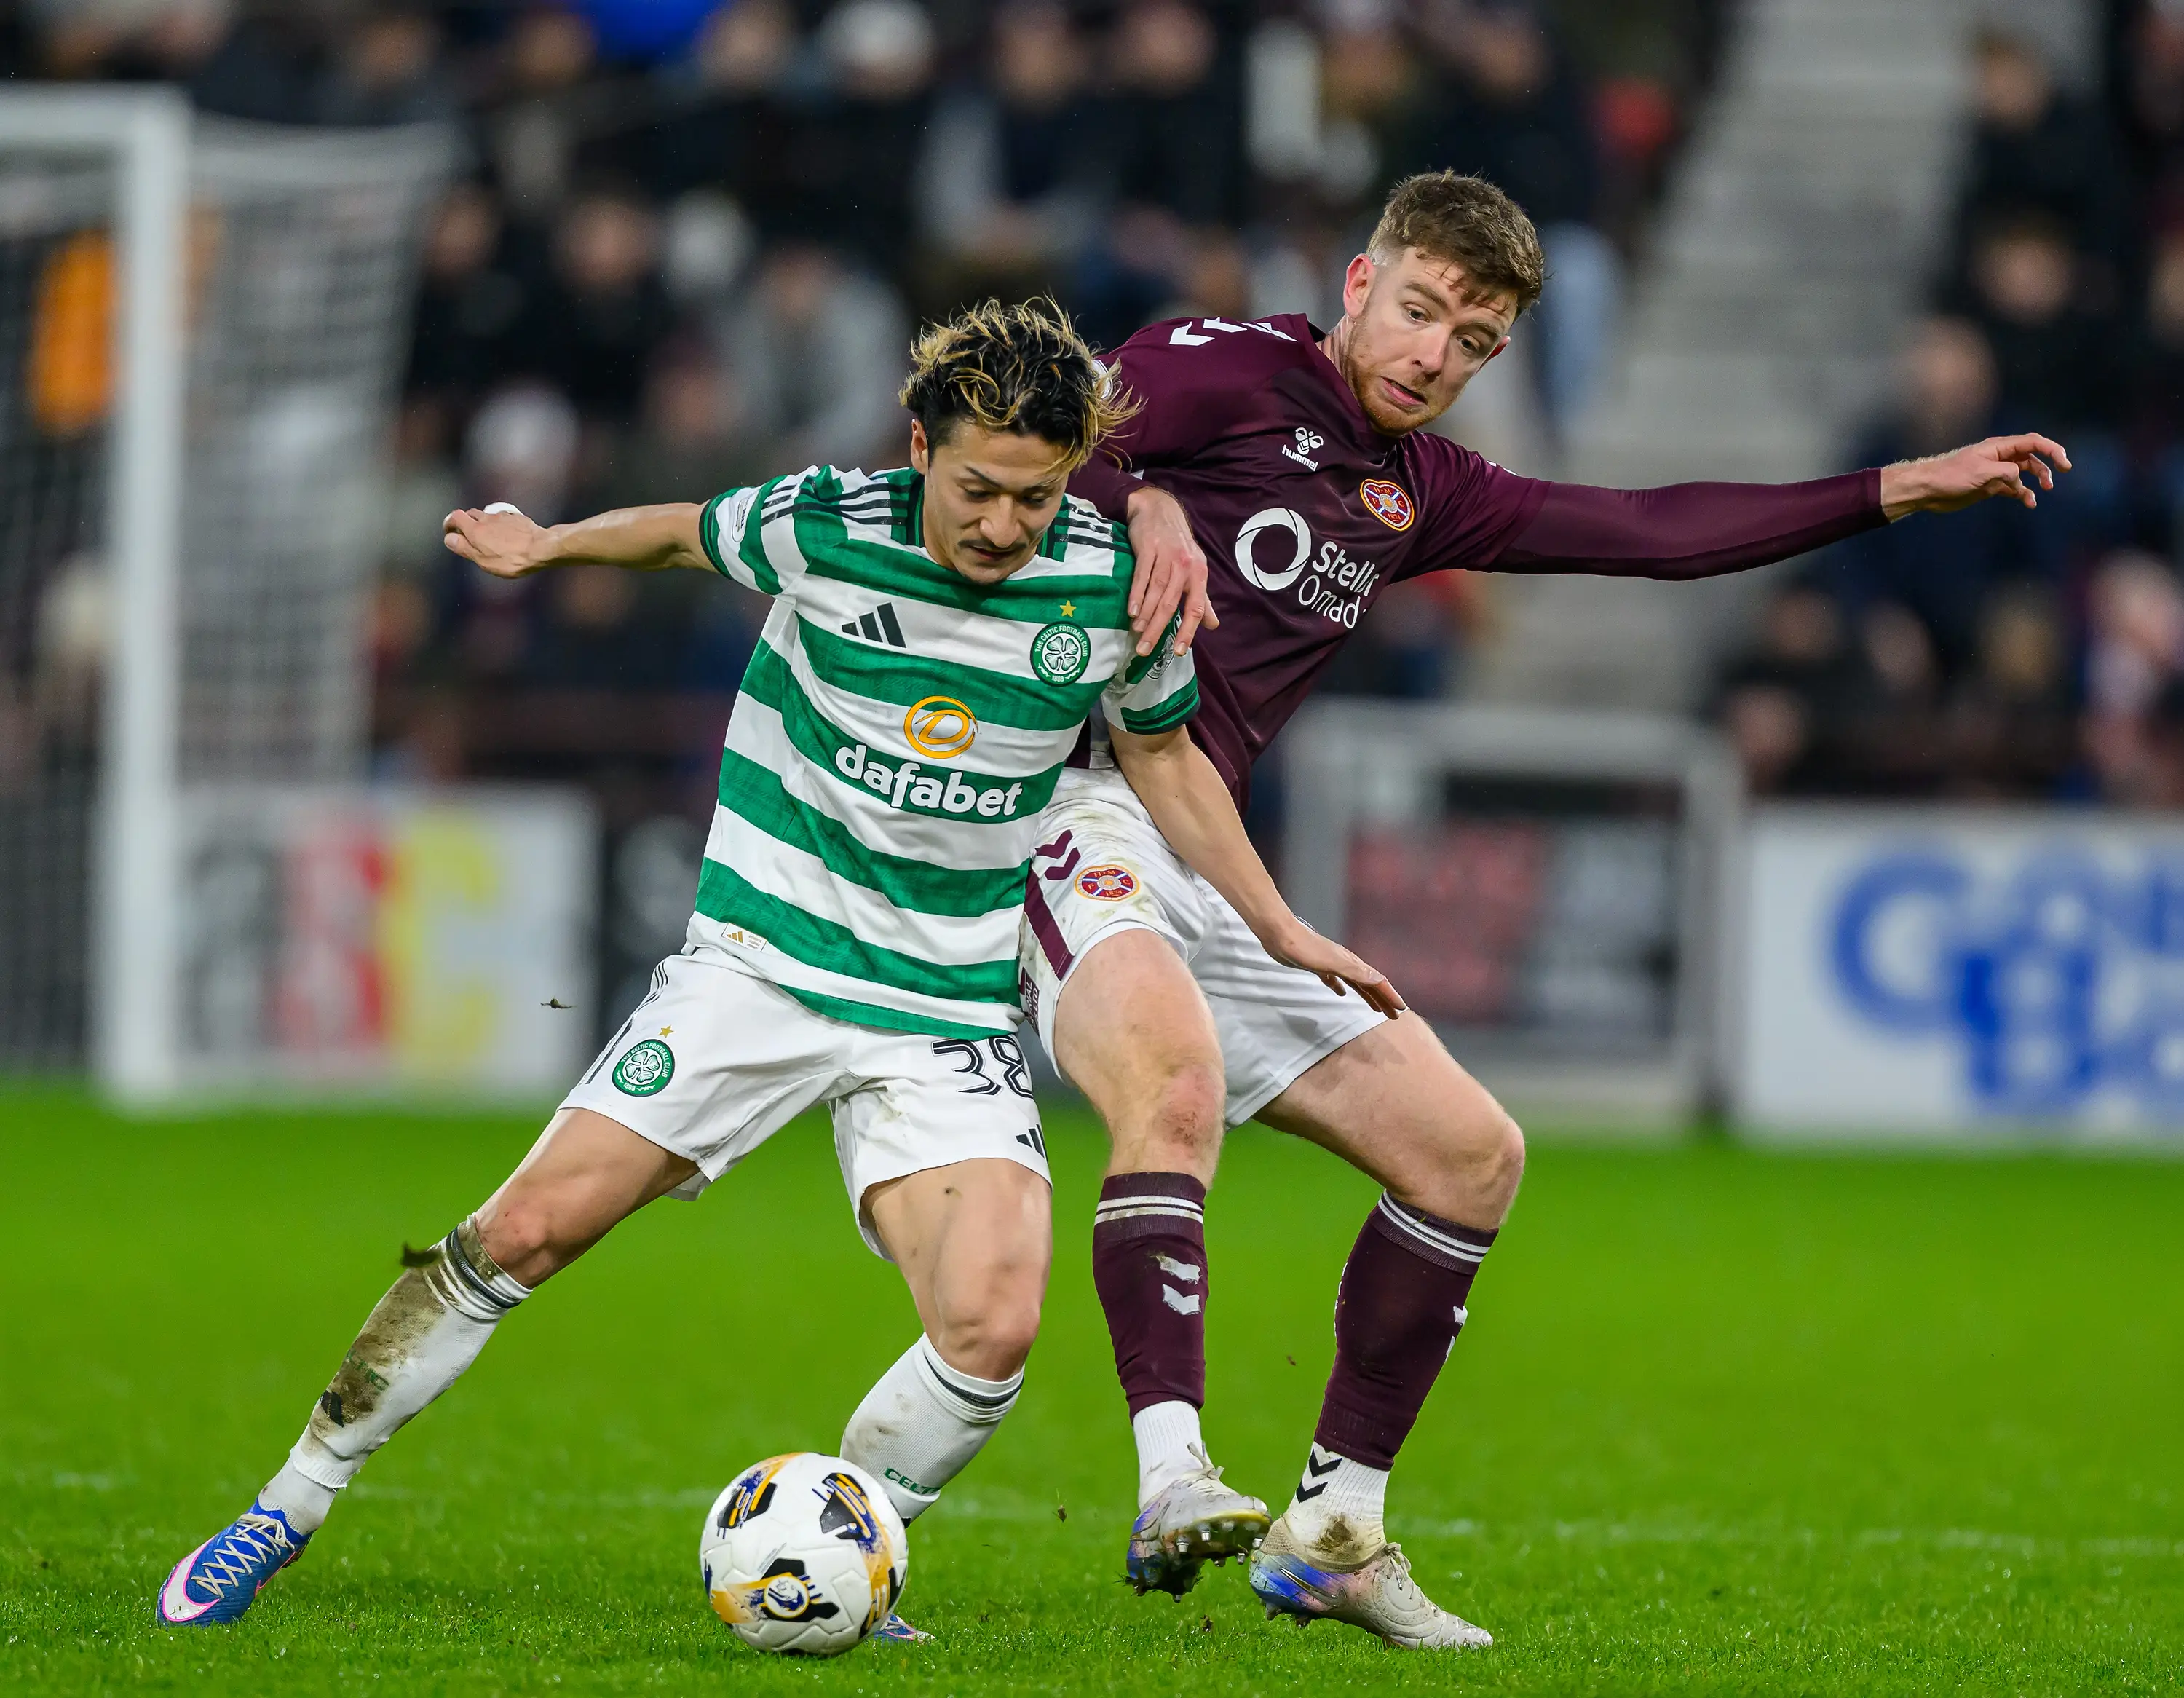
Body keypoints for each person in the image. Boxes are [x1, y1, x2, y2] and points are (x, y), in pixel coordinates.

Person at [155, 300, 1396, 1633]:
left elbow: (1163, 760)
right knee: (521, 1231)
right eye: (977, 489)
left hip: (940, 1009)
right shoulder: (826, 525)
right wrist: (548, 544)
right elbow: (682, 530)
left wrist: (1277, 926)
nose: (1001, 525)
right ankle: (289, 1501)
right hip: (758, 966)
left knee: (992, 1324)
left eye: (1035, 499)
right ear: (920, 448)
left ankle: (846, 1545)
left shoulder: (1111, 586)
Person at [1048, 170, 2072, 1649]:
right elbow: (1033, 441)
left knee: (1470, 1155)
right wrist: (1136, 493)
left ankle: (1335, 1527)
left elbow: (1647, 527)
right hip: (1059, 800)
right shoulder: (1222, 367)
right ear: (1358, 282)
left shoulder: (1420, 493)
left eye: (1472, 340)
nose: (1431, 354)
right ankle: (1170, 1473)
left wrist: (1897, 486)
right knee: (1171, 1091)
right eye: (1417, 311)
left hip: (1210, 853)